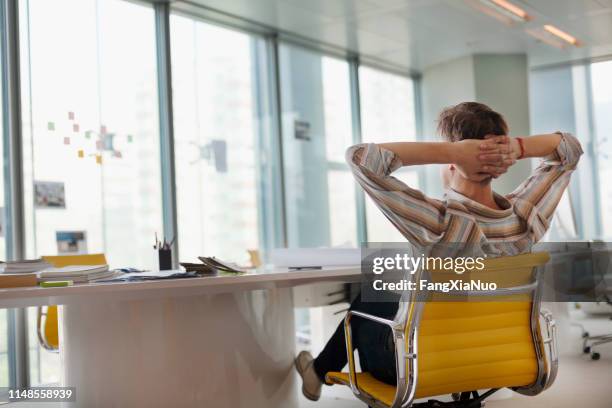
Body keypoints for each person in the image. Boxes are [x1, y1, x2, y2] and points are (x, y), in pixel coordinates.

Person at [294, 102, 583, 401]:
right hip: (501, 359)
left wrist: (454, 153)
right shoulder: (524, 218)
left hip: (427, 366)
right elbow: (569, 149)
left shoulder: (440, 224)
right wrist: (516, 148)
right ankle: (317, 370)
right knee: (390, 292)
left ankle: (318, 370)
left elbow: (359, 158)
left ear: (455, 160)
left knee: (374, 295)